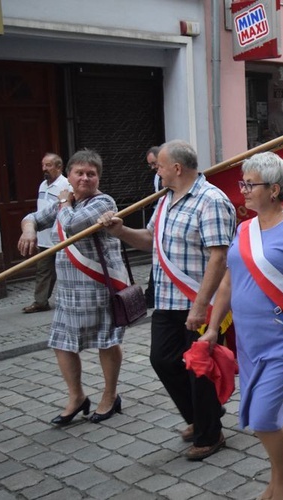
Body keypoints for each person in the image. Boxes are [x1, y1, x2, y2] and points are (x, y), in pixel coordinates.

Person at [199, 152, 283, 500]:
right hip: (249, 342)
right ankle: (277, 478)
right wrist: (213, 327)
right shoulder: (244, 228)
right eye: (243, 183)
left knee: (261, 417)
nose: (242, 189)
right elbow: (228, 282)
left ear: (274, 189)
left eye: (249, 184)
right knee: (271, 412)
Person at [99, 140, 235, 460]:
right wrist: (121, 231)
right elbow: (150, 241)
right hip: (166, 299)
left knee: (199, 369)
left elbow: (220, 257)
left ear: (176, 168)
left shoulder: (211, 200)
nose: (155, 170)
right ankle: (203, 415)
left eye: (158, 165)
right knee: (162, 360)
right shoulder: (165, 199)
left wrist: (201, 305)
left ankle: (209, 433)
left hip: (199, 302)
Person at [18, 149, 126, 425]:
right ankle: (77, 396)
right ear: (69, 175)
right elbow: (31, 216)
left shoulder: (103, 203)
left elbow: (74, 226)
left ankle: (110, 395)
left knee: (107, 341)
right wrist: (29, 229)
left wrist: (64, 204)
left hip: (99, 288)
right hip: (67, 291)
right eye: (79, 172)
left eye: (91, 174)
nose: (85, 178)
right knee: (62, 344)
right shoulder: (64, 202)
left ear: (98, 178)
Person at [22, 153, 71, 314]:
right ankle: (41, 302)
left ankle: (69, 300)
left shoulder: (66, 185)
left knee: (66, 271)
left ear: (59, 167)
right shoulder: (43, 185)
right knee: (43, 270)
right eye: (43, 165)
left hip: (60, 238)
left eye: (48, 165)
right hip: (44, 238)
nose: (44, 169)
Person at [145, 146, 161, 308]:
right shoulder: (158, 177)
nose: (153, 168)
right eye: (150, 165)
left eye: (154, 163)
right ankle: (151, 295)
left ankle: (151, 294)